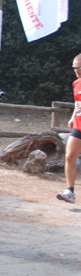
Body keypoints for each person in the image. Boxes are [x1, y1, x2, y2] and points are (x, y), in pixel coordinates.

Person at [56, 54, 81, 204]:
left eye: (79, 67)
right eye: (74, 68)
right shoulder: (76, 84)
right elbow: (77, 103)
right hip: (79, 125)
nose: (76, 70)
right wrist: (72, 117)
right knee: (70, 156)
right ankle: (70, 191)